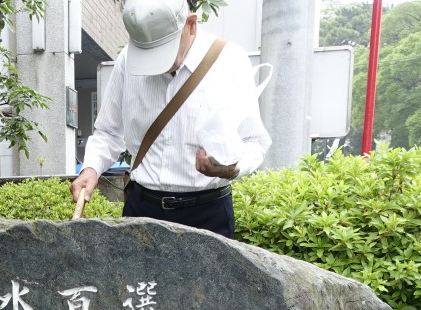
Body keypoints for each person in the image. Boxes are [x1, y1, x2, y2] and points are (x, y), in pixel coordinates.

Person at [70, 0, 271, 239]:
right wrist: (91, 168)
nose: (156, 65)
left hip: (207, 215)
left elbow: (255, 141)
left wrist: (233, 169)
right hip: (141, 209)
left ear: (191, 24)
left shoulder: (230, 61)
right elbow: (108, 132)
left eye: (164, 50)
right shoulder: (127, 60)